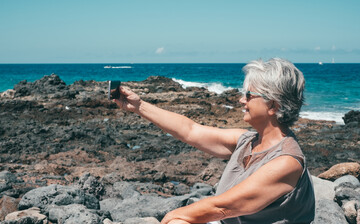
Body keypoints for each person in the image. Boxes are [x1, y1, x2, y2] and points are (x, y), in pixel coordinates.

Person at [113, 58, 315, 224]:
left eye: (249, 95)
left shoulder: (285, 162)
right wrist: (139, 106)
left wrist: (171, 216)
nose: (241, 100)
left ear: (272, 105)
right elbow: (190, 130)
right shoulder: (248, 141)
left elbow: (222, 207)